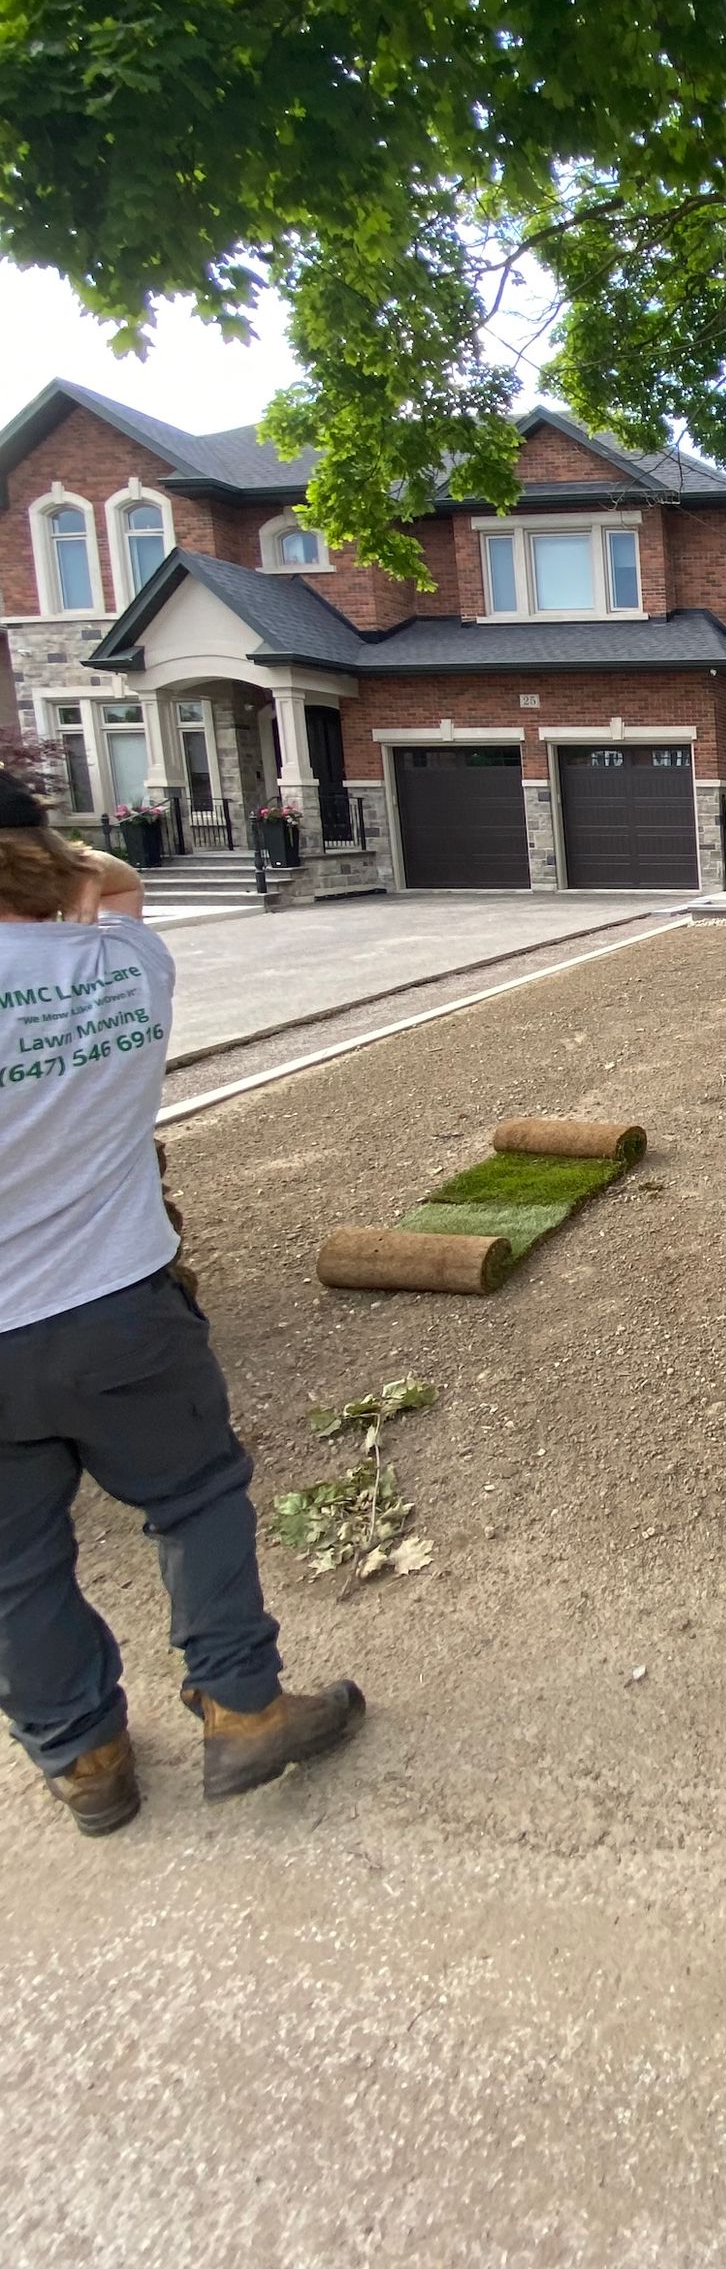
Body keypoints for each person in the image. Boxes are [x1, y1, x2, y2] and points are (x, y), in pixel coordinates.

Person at [0, 770, 363, 1833]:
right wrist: (66, 865)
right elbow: (115, 882)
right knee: (195, 1498)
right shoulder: (122, 962)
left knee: (14, 1566)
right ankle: (243, 1711)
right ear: (48, 859)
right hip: (120, 1303)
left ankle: (85, 1757)